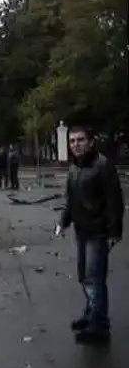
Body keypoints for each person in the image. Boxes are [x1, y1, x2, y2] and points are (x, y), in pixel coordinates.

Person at [55, 125, 124, 344]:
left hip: (98, 231)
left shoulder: (102, 166)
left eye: (80, 140)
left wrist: (114, 231)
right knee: (84, 277)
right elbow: (72, 200)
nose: (76, 144)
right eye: (72, 141)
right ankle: (90, 314)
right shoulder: (75, 167)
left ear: (91, 142)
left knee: (94, 279)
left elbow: (114, 201)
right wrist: (63, 221)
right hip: (82, 231)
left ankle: (99, 326)